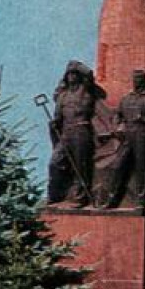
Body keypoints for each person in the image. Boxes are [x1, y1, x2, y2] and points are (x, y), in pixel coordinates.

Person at [47, 60, 105, 206]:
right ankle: (56, 194)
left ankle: (80, 197)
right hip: (66, 132)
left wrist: (74, 65)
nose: (72, 76)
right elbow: (58, 117)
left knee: (81, 165)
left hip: (81, 130)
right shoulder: (62, 96)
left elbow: (89, 74)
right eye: (69, 74)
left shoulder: (85, 90)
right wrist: (54, 122)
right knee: (55, 162)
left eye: (75, 74)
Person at [107, 69, 145, 209]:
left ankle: (142, 200)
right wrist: (117, 126)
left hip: (143, 135)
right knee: (117, 165)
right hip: (127, 136)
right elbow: (118, 114)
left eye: (139, 79)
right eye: (134, 79)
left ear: (144, 80)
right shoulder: (126, 98)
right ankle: (112, 198)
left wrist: (144, 119)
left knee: (142, 169)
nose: (136, 81)